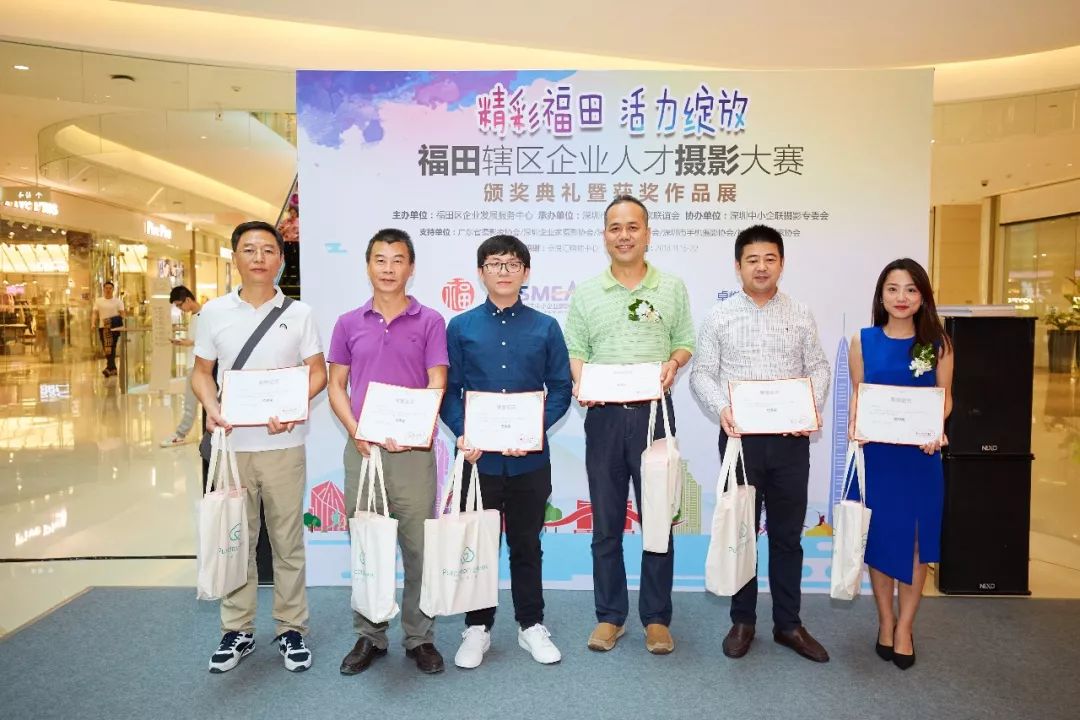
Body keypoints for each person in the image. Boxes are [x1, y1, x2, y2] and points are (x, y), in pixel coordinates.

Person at [690, 224, 831, 663]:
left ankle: (789, 624)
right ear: (738, 267)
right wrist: (722, 408)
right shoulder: (719, 317)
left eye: (770, 259)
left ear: (782, 264)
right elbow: (701, 374)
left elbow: (819, 367)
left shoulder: (801, 313)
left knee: (787, 536)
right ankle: (743, 621)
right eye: (752, 260)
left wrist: (808, 409)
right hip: (740, 442)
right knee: (742, 533)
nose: (761, 267)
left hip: (790, 442)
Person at [192, 220, 327, 674]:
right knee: (236, 539)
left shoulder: (299, 313)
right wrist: (212, 406)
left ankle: (291, 627)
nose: (258, 258)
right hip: (232, 447)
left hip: (283, 444)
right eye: (249, 249)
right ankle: (238, 629)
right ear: (235, 257)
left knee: (287, 542)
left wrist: (294, 406)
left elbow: (318, 371)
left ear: (281, 259)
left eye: (268, 250)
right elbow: (201, 373)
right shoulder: (214, 313)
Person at [564, 195, 695, 655]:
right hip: (603, 417)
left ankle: (656, 618)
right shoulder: (587, 292)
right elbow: (575, 350)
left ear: (647, 234)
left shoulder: (671, 288)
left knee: (658, 518)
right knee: (606, 522)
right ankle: (610, 616)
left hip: (654, 416)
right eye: (615, 228)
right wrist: (583, 382)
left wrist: (674, 363)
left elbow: (684, 341)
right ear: (605, 236)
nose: (624, 235)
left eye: (633, 227)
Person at [440, 234, 572, 669]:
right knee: (478, 546)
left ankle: (530, 624)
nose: (504, 271)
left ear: (525, 272)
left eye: (513, 264)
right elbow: (449, 391)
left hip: (529, 461)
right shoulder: (460, 327)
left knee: (526, 545)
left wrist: (533, 430)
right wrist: (464, 433)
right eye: (495, 263)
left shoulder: (545, 327)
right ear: (481, 272)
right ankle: (477, 627)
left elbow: (561, 388)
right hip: (477, 460)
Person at [327, 228, 449, 676]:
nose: (389, 268)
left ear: (411, 268)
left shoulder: (430, 320)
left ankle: (419, 637)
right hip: (364, 451)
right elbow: (336, 385)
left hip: (413, 452)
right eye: (380, 259)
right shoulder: (348, 322)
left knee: (418, 549)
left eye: (398, 260)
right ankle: (370, 634)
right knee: (369, 545)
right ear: (368, 266)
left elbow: (437, 381)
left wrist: (416, 426)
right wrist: (356, 429)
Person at [848, 258, 952, 671]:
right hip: (878, 457)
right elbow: (859, 396)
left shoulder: (937, 343)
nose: (902, 297)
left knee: (916, 543)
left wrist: (935, 428)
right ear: (881, 296)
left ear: (923, 296)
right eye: (893, 289)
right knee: (880, 539)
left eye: (911, 289)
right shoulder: (863, 341)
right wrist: (856, 425)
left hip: (920, 457)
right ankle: (885, 621)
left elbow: (945, 398)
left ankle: (906, 626)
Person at [161, 285, 202, 447]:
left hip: (199, 364)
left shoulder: (205, 315)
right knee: (193, 402)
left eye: (179, 305)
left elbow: (204, 340)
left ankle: (180, 434)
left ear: (188, 300)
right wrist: (186, 342)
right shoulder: (195, 316)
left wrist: (187, 342)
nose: (180, 309)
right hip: (194, 362)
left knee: (190, 403)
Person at [92, 280, 125, 377]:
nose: (108, 290)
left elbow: (123, 315)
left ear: (113, 289)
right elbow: (95, 313)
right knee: (106, 348)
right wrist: (93, 323)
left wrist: (112, 321)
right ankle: (112, 368)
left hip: (114, 328)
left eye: (110, 288)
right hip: (103, 327)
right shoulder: (98, 301)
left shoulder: (118, 301)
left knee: (112, 347)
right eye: (106, 288)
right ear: (103, 289)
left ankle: (109, 368)